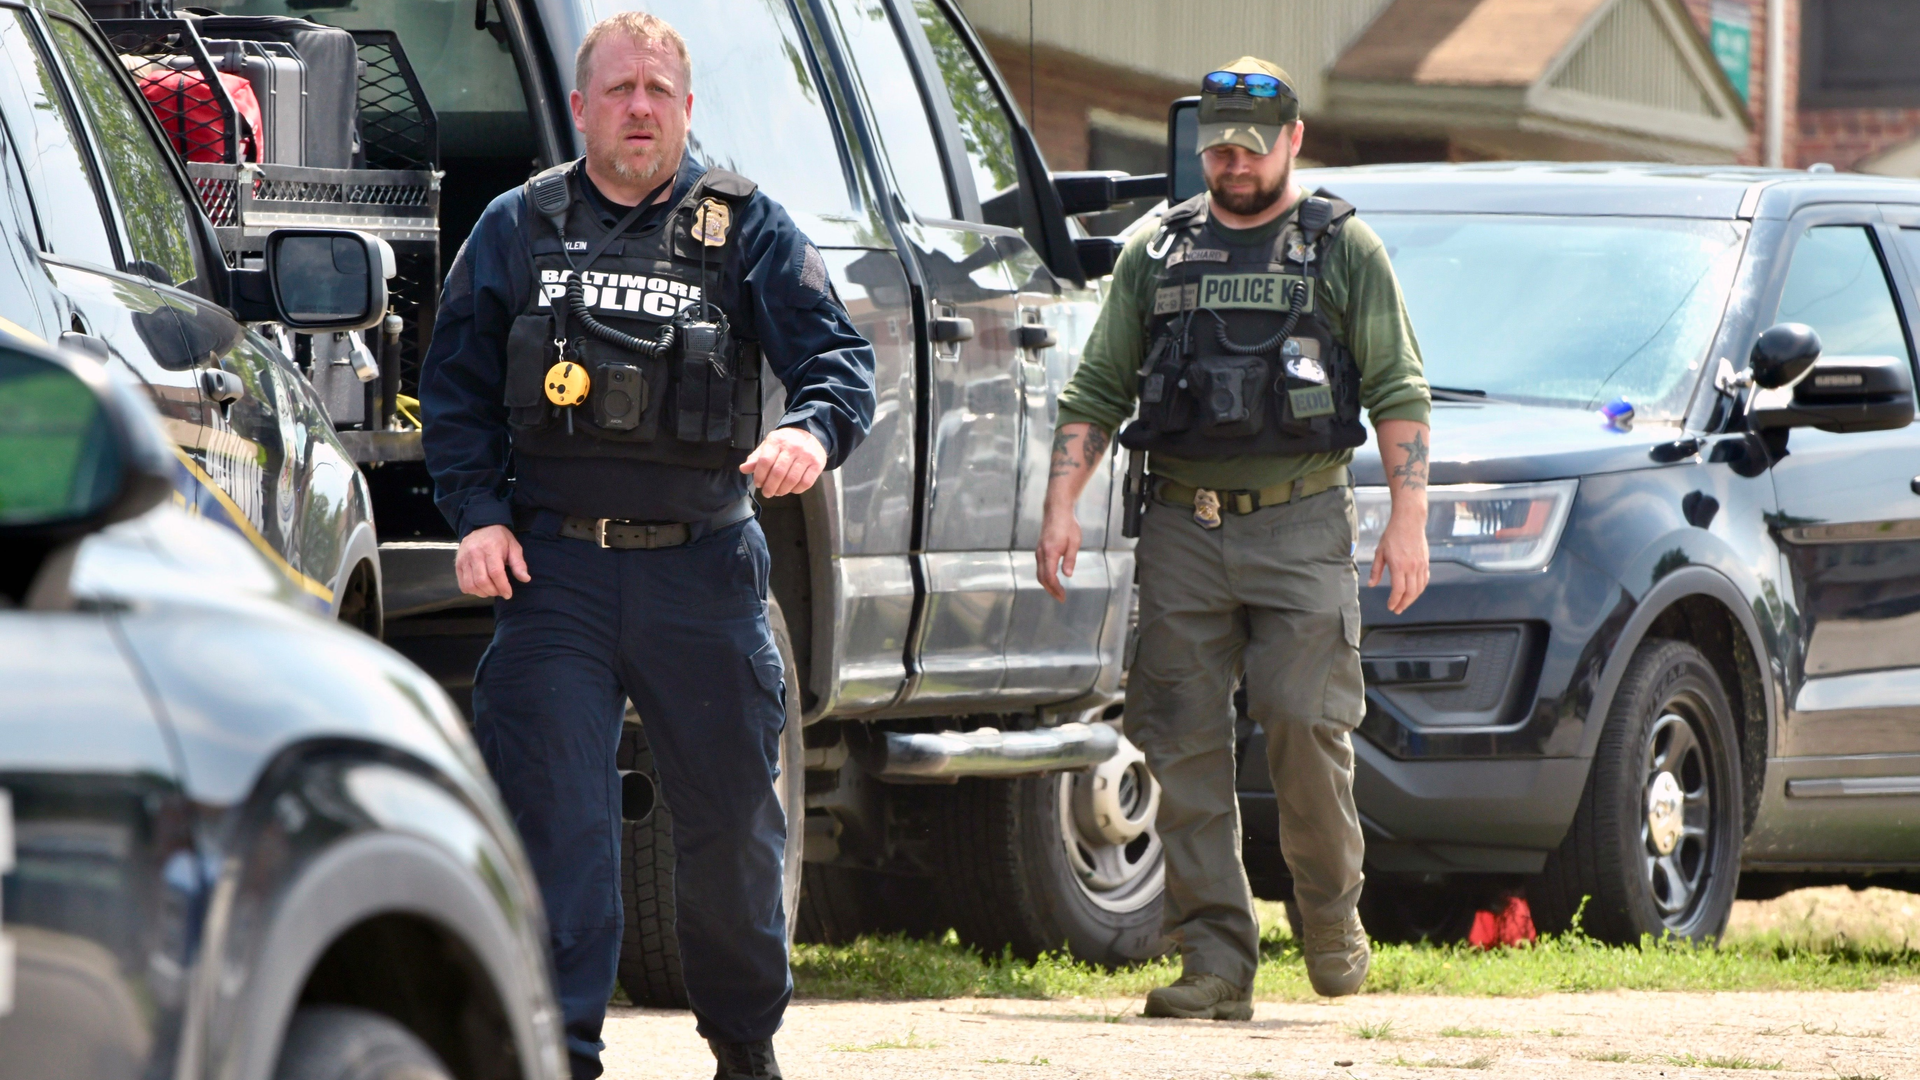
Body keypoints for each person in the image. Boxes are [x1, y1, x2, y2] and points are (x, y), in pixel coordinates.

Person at [418, 12, 876, 1079]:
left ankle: (745, 1045)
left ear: (685, 107)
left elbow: (838, 362)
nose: (638, 108)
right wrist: (476, 513)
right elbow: (454, 389)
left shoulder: (746, 228)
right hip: (554, 572)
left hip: (705, 572)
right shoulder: (516, 225)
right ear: (580, 108)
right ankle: (560, 1054)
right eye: (618, 91)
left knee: (731, 836)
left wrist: (809, 433)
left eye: (658, 92)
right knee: (560, 834)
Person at [1035, 56, 1432, 1019]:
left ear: (1294, 139)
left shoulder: (1345, 248)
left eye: (1252, 148)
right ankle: (1214, 958)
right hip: (1181, 526)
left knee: (1305, 726)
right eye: (1217, 147)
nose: (1233, 164)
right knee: (1181, 748)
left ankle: (1332, 918)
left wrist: (1409, 520)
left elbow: (1398, 389)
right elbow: (1098, 389)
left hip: (1301, 523)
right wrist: (1062, 502)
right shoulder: (1158, 252)